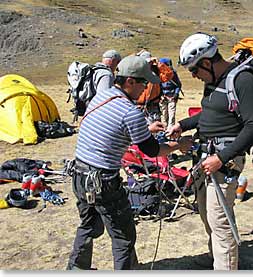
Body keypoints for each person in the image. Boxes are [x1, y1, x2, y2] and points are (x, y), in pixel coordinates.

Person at [66, 55, 192, 270]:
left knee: (88, 225)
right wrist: (179, 146)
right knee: (123, 236)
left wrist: (146, 129)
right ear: (130, 82)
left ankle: (76, 269)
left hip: (79, 174)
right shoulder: (130, 112)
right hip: (103, 182)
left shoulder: (102, 97)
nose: (145, 88)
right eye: (143, 83)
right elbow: (152, 151)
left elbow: (109, 131)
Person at [167, 32, 253, 270]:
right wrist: (182, 124)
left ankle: (226, 267)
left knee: (220, 220)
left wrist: (221, 158)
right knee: (206, 214)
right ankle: (216, 258)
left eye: (194, 70)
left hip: (224, 161)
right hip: (204, 157)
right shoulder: (213, 82)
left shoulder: (242, 80)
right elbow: (210, 114)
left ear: (207, 63)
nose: (193, 76)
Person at [135, 50, 174, 124]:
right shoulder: (135, 72)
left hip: (152, 108)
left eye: (149, 62)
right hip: (137, 107)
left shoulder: (156, 72)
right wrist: (136, 56)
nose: (147, 64)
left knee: (155, 131)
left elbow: (169, 75)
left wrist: (159, 64)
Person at [159, 57, 182, 128]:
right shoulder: (159, 74)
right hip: (163, 97)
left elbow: (178, 84)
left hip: (172, 96)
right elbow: (157, 85)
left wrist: (176, 94)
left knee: (171, 116)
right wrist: (160, 95)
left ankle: (170, 132)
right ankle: (164, 131)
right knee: (163, 115)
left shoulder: (173, 73)